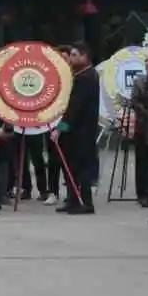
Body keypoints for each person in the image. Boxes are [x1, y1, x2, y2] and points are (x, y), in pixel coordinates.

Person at [54, 41, 101, 214]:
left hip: (82, 131)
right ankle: (73, 200)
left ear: (84, 56)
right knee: (71, 167)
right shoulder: (80, 74)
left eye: (74, 55)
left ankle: (86, 203)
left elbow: (75, 106)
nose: (71, 58)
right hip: (76, 131)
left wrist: (61, 127)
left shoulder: (86, 77)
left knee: (82, 167)